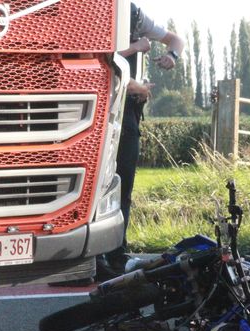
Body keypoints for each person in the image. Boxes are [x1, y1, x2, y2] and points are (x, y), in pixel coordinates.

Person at [98, 2, 184, 279]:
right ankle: (95, 255)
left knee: (123, 184)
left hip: (128, 113)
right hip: (100, 112)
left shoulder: (134, 15)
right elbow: (101, 56)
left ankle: (115, 253)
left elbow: (175, 39)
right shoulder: (96, 13)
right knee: (100, 186)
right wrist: (136, 49)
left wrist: (172, 55)